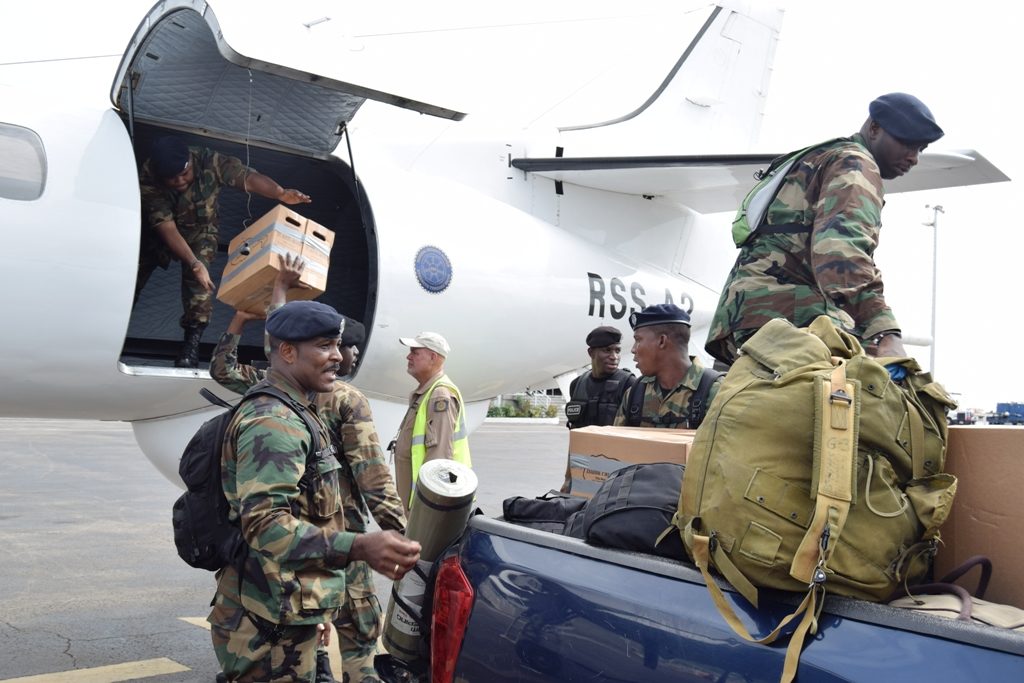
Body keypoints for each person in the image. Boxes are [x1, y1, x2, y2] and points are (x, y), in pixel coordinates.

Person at [211, 256, 405, 683]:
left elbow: (263, 348)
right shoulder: (277, 419)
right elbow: (267, 524)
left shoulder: (293, 396)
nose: (337, 356)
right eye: (325, 346)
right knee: (361, 641)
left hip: (292, 582)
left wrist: (276, 291)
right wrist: (374, 542)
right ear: (288, 351)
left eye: (338, 345)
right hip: (276, 597)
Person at [705, 92, 945, 365]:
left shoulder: (824, 156)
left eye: (920, 149)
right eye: (907, 144)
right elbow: (841, 253)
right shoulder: (856, 164)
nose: (913, 158)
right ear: (874, 129)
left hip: (751, 316)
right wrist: (883, 330)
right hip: (792, 320)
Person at [136, 135, 312, 368]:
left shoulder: (209, 161)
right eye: (172, 178)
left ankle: (191, 344)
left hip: (200, 231)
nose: (179, 181)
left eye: (184, 174)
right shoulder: (148, 177)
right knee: (131, 277)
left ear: (190, 160)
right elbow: (165, 227)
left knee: (200, 287)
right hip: (156, 234)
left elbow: (247, 178)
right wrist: (193, 263)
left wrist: (279, 193)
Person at [393, 332, 471, 512]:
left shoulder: (439, 395)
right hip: (416, 500)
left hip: (425, 504)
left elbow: (440, 457)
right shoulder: (426, 392)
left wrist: (429, 507)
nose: (408, 356)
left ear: (433, 357)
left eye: (415, 352)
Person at [613, 303, 721, 429]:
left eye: (638, 340)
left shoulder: (716, 393)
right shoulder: (636, 393)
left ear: (662, 341)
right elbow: (618, 446)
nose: (633, 349)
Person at [564, 325, 637, 429]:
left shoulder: (629, 383)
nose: (614, 357)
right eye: (607, 350)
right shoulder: (577, 385)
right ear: (591, 353)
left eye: (617, 351)